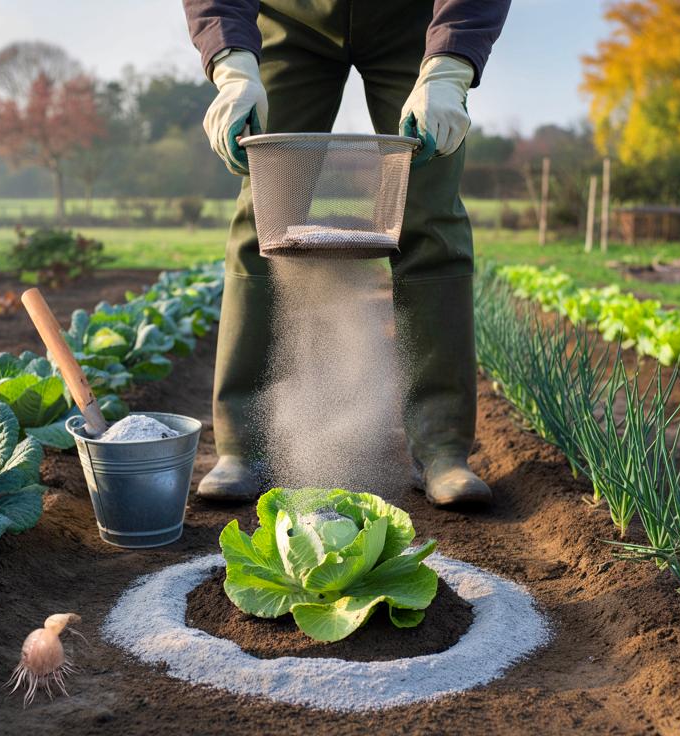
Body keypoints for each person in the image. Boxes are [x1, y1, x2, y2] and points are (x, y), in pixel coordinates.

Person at [184, 0, 511, 507]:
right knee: (267, 210)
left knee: (428, 213)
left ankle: (442, 448)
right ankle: (243, 447)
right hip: (290, 18)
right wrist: (233, 67)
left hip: (414, 25)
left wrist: (449, 68)